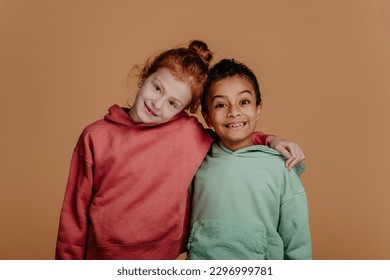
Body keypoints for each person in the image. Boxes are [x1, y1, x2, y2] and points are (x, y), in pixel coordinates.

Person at [55, 40, 305, 260]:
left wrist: (270, 140)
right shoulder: (95, 136)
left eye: (173, 103)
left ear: (184, 110)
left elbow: (231, 133)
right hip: (101, 259)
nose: (158, 103)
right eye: (157, 88)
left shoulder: (186, 132)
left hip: (161, 262)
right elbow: (73, 218)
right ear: (144, 76)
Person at [186, 59, 311, 260]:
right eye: (220, 105)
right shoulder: (196, 161)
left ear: (258, 109)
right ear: (207, 117)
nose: (233, 112)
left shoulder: (281, 168)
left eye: (244, 102)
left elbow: (297, 241)